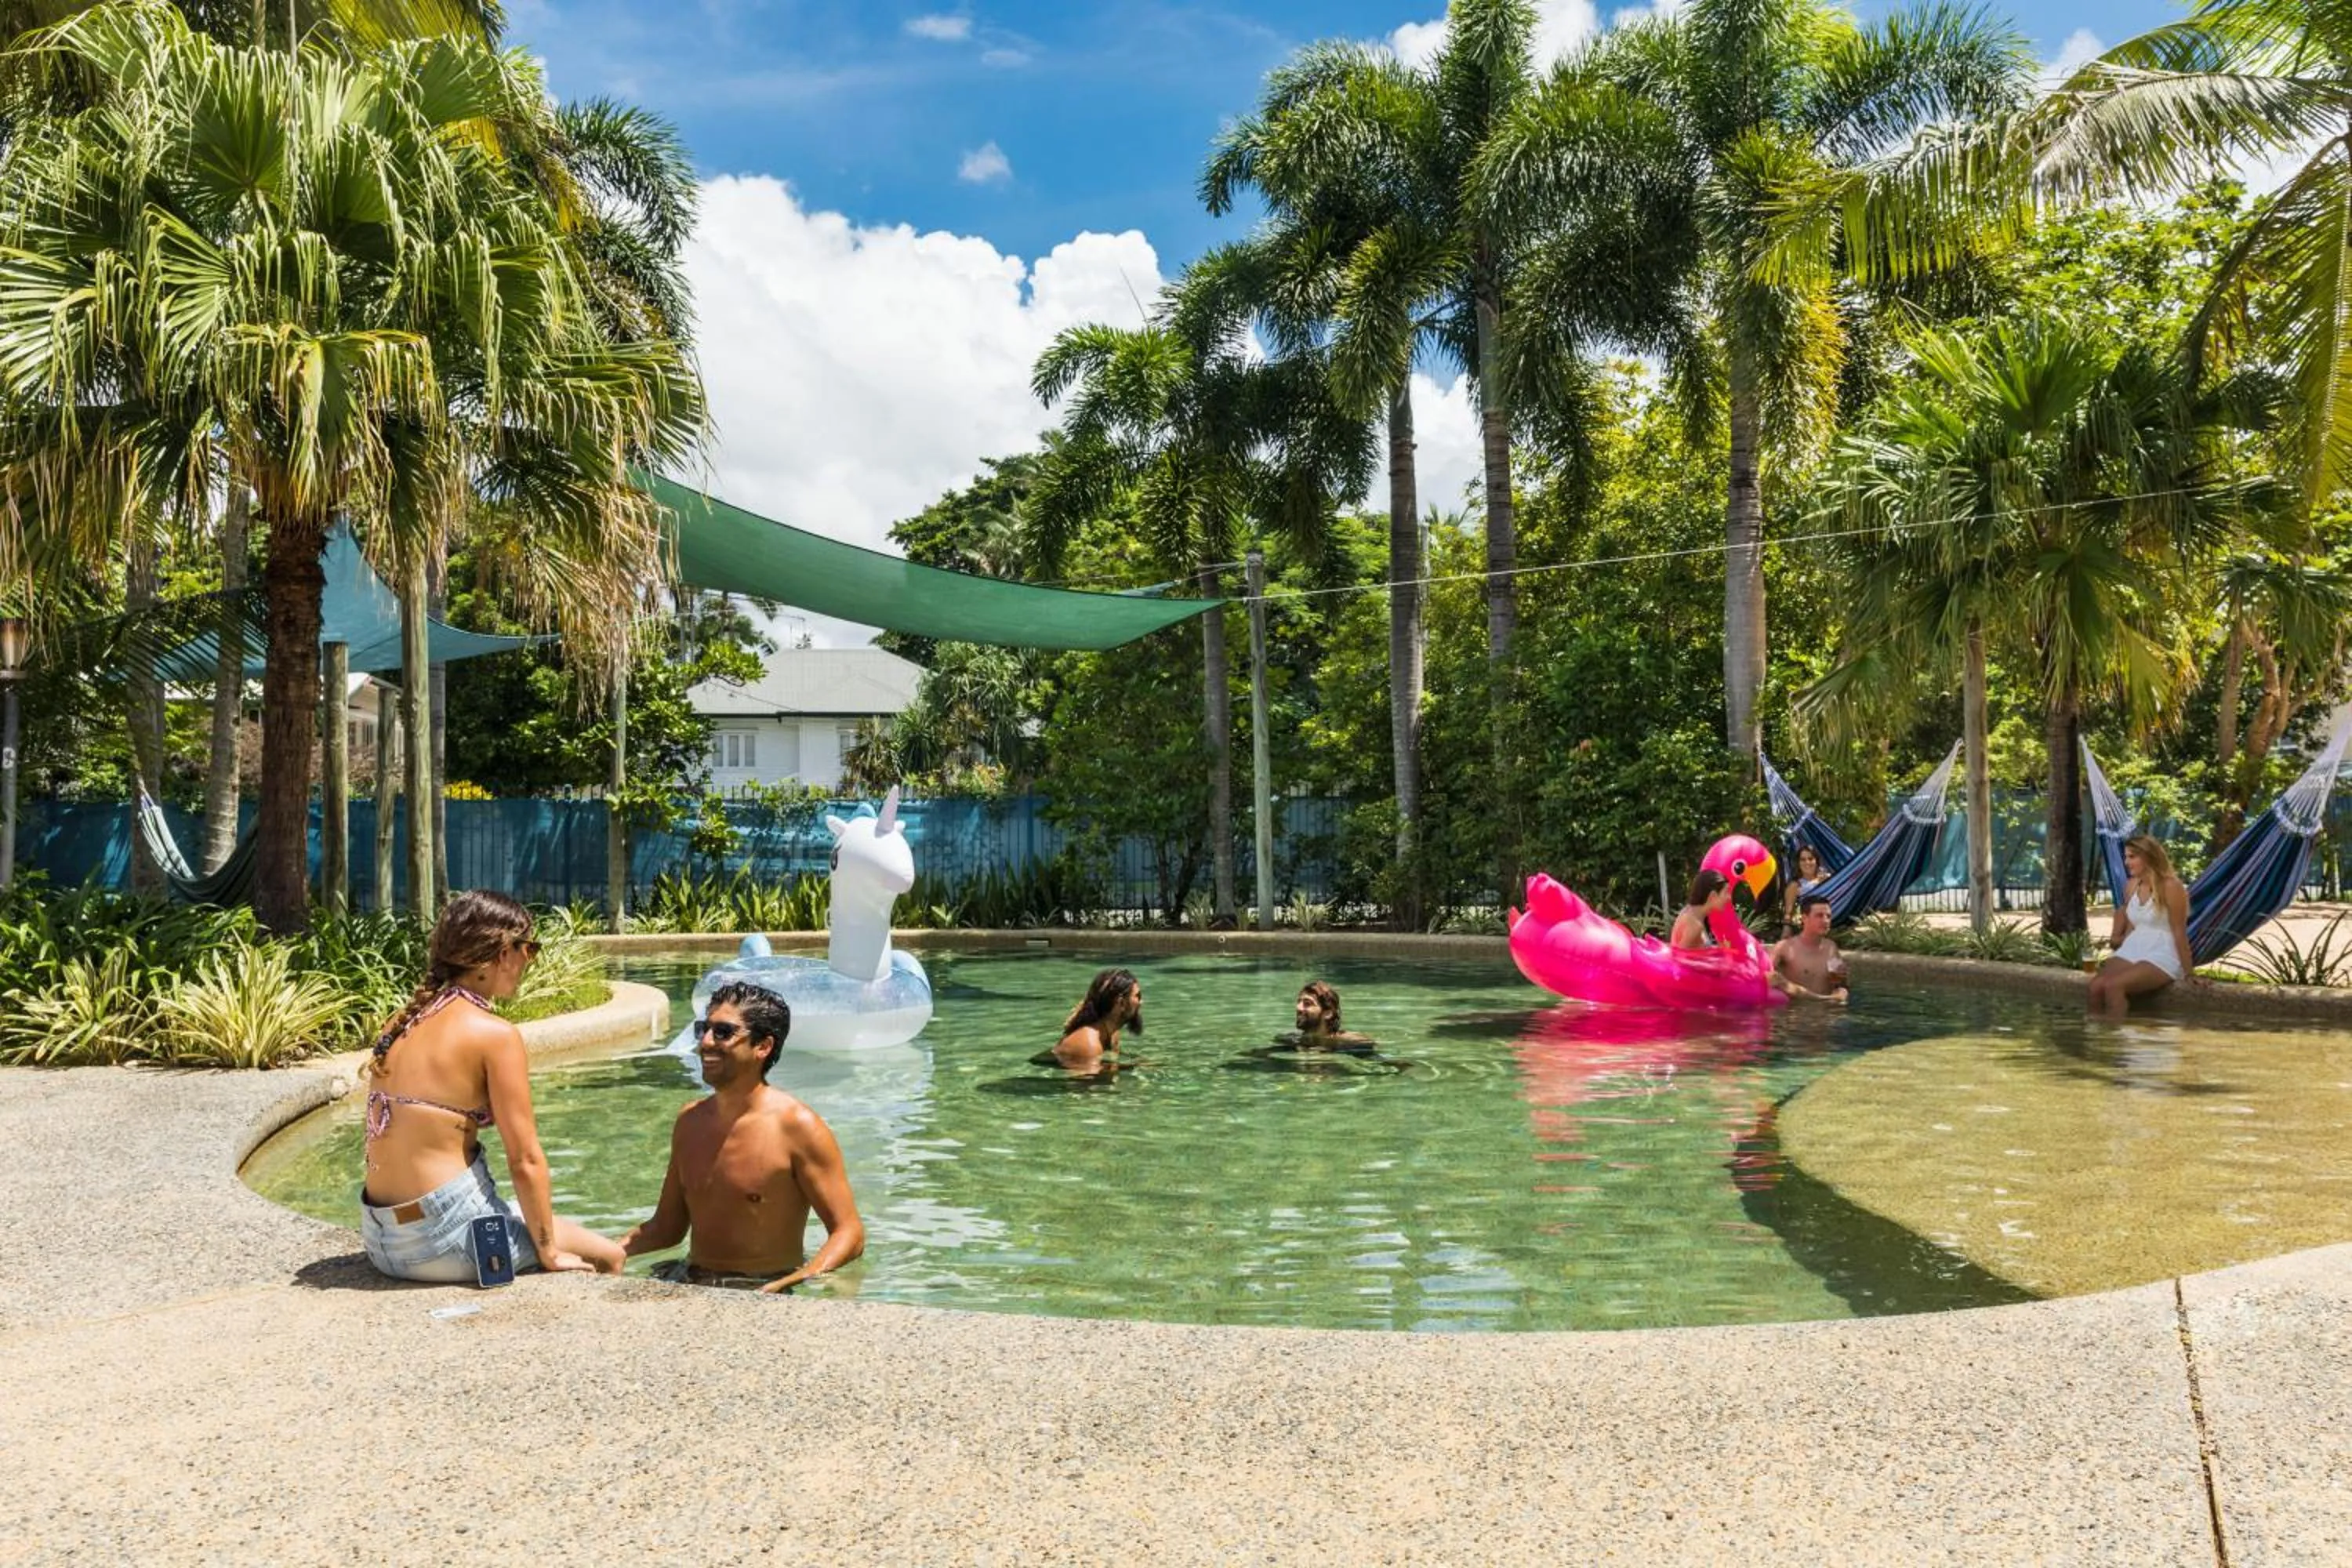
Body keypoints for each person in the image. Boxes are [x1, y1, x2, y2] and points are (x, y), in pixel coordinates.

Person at [359, 891, 624, 1282]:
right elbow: (525, 1159)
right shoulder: (493, 1034)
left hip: (382, 1240)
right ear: (503, 952)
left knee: (521, 1211)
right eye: (528, 949)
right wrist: (549, 1251)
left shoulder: (401, 1022)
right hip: (446, 1240)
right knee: (609, 1256)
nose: (528, 961)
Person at [621, 982, 865, 1292]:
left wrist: (794, 1281)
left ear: (763, 1046)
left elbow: (849, 1233)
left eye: (723, 1032)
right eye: (703, 1029)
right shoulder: (690, 1121)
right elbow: (667, 1229)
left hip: (762, 1288)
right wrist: (609, 1252)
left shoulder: (799, 1128)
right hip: (689, 1279)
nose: (705, 1043)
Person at [2089, 833, 2201, 1016]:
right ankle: (2093, 1036)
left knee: (2113, 986)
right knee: (2095, 987)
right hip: (2135, 946)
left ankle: (2114, 1039)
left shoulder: (2172, 886)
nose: (2126, 862)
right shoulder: (2132, 885)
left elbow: (2180, 932)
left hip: (2163, 951)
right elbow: (2133, 925)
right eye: (2126, 857)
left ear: (2148, 857)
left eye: (2132, 857)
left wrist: (2189, 973)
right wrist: (2118, 946)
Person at [1052, 967, 1143, 1067]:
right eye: (1137, 996)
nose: (1141, 1002)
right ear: (1121, 1003)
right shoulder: (1089, 1044)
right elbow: (1087, 1081)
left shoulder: (1112, 1033)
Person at [1771, 894, 1849, 1004]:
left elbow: (1840, 984)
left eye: (1828, 916)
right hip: (1793, 1016)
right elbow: (1765, 978)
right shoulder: (1784, 948)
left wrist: (1841, 993)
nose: (1826, 921)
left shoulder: (1831, 948)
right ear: (1804, 918)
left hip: (1824, 1015)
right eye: (1819, 916)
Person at [1287, 981, 1374, 1050]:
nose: (1299, 1007)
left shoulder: (1342, 1040)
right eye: (1299, 1002)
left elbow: (1367, 1042)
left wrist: (1329, 1044)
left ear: (1328, 1013)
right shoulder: (1291, 1040)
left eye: (1307, 1004)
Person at [1669, 869, 1732, 953]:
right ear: (1712, 896)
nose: (1729, 898)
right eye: (1726, 892)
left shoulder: (1691, 912)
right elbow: (1679, 961)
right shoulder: (1694, 925)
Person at [1784, 844, 1831, 924]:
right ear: (1798, 863)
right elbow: (1788, 913)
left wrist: (1826, 880)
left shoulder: (1827, 879)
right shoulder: (1795, 885)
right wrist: (1787, 928)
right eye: (1803, 859)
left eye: (1810, 859)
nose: (1807, 862)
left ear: (1816, 861)